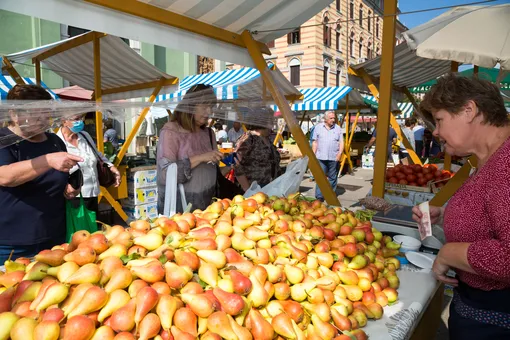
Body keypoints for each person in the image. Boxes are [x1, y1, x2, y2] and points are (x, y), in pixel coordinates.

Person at [412, 74, 510, 339]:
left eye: (440, 119)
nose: (435, 131)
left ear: (469, 110)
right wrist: (445, 215)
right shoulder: (488, 159)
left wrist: (449, 253)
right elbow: (492, 215)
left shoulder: (506, 163)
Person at [0, 84, 83, 262]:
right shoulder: (4, 139)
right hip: (11, 243)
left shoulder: (54, 141)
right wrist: (48, 160)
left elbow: (60, 174)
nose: (44, 118)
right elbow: (5, 176)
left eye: (46, 111)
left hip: (54, 236)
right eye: (36, 112)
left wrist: (69, 187)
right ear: (14, 114)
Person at [156, 84, 223, 213]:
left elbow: (209, 171)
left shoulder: (209, 133)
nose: (209, 112)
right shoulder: (171, 131)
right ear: (190, 106)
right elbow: (164, 175)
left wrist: (230, 168)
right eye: (204, 107)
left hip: (208, 207)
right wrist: (201, 158)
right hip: (179, 209)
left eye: (211, 107)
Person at [58, 115, 122, 214]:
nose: (80, 122)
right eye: (76, 119)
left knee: (93, 227)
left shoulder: (84, 135)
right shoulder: (57, 141)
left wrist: (111, 167)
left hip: (93, 192)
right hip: (73, 196)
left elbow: (97, 154)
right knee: (78, 228)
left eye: (81, 118)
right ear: (64, 121)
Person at [235, 123, 282, 191]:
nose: (272, 126)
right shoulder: (248, 139)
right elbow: (236, 164)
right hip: (254, 188)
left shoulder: (267, 139)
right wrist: (247, 190)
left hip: (271, 187)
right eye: (270, 122)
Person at [311, 111, 344, 201]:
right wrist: (313, 155)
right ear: (325, 119)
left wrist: (339, 153)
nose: (333, 120)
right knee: (320, 177)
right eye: (331, 118)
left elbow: (341, 142)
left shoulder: (338, 128)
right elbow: (315, 142)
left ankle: (330, 194)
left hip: (334, 157)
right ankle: (319, 196)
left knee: (333, 177)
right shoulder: (318, 127)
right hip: (321, 157)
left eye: (334, 118)